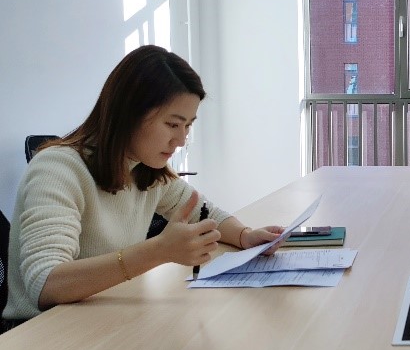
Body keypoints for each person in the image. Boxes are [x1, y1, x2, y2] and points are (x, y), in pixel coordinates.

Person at [1, 45, 284, 331]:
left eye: (188, 126)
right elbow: (46, 285)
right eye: (172, 124)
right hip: (41, 334)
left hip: (102, 321)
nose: (181, 140)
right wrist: (157, 251)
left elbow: (204, 212)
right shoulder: (57, 169)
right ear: (129, 114)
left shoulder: (145, 170)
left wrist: (245, 236)